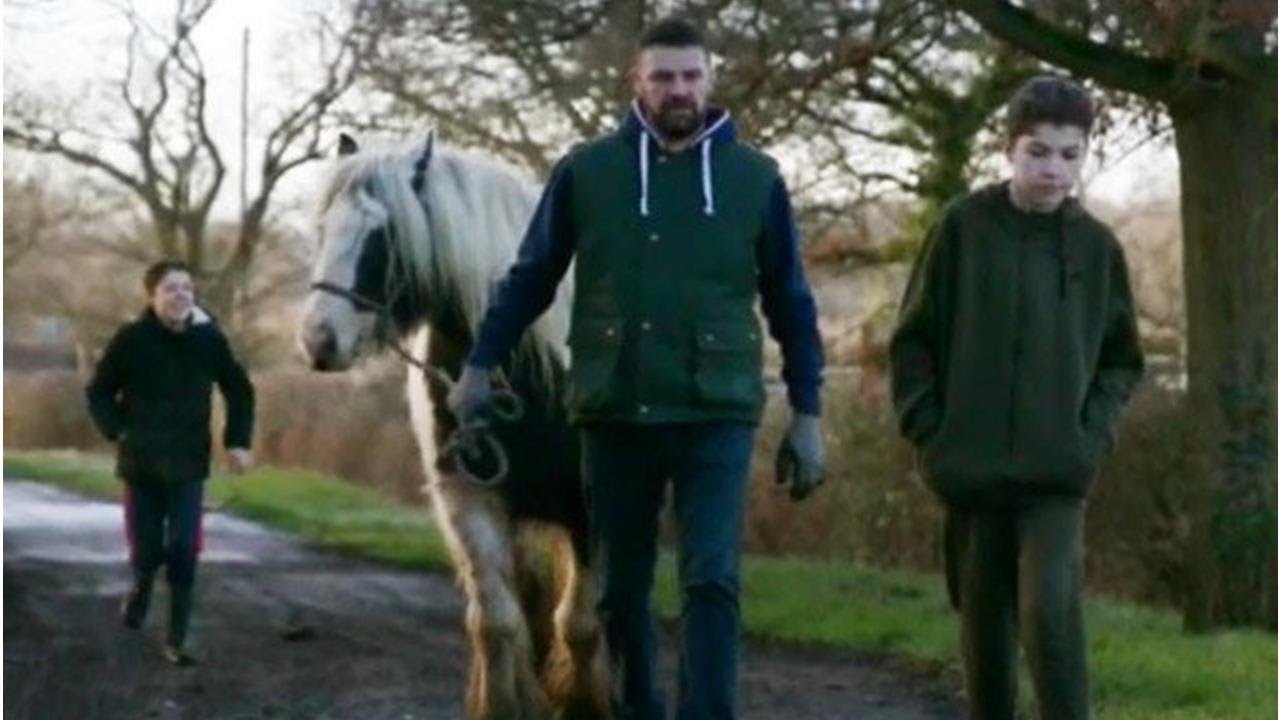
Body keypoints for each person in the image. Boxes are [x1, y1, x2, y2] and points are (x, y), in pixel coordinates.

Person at [447, 16, 825, 720]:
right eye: (663, 77)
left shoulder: (755, 180)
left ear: (710, 81)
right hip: (616, 411)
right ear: (637, 83)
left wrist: (808, 411)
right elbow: (529, 278)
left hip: (717, 412)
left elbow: (792, 301)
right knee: (619, 590)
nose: (678, 90)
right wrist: (479, 364)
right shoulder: (586, 172)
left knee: (711, 579)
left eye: (690, 76)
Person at [889, 75, 1145, 719]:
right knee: (986, 639)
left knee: (1049, 614)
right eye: (1038, 152)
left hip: (1057, 472)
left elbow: (1121, 359)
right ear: (1008, 149)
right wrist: (931, 436)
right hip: (969, 471)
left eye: (1069, 154)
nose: (1053, 170)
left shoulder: (1095, 247)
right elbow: (912, 342)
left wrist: (1091, 437)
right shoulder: (963, 229)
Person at [87, 260, 255, 666]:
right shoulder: (132, 340)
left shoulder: (208, 340)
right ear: (152, 296)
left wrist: (237, 442)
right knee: (146, 549)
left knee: (184, 547)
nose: (180, 295)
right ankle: (142, 585)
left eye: (186, 288)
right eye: (170, 289)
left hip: (187, 464)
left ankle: (177, 637)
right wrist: (118, 430)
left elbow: (239, 389)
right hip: (141, 464)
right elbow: (99, 392)